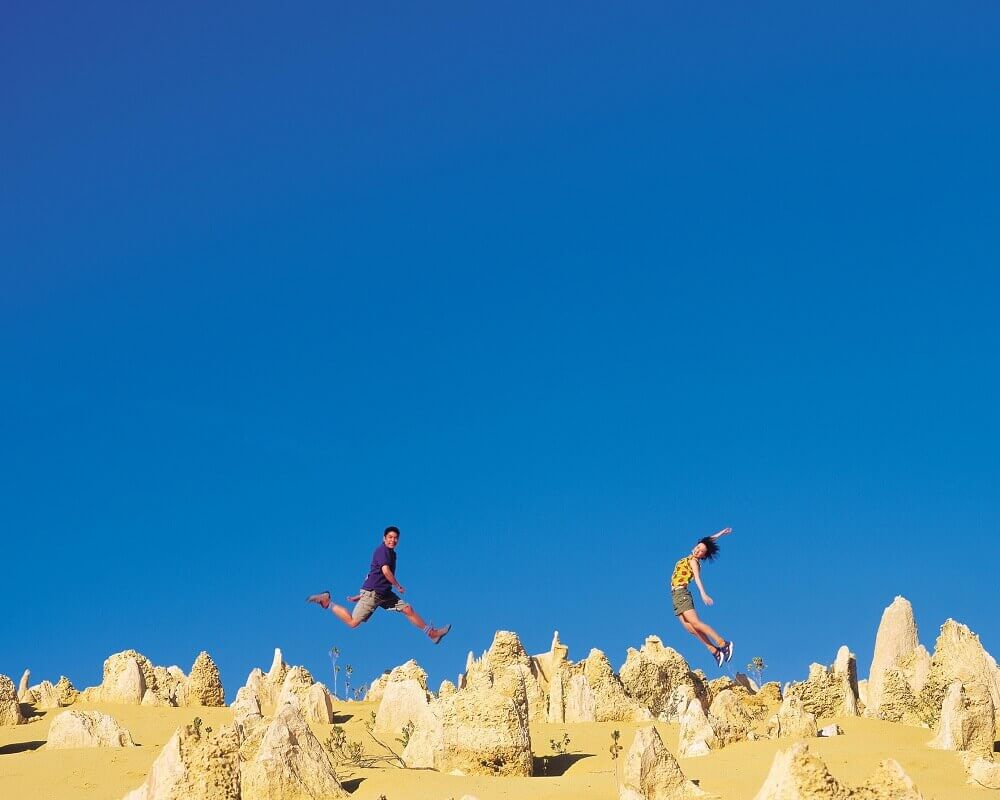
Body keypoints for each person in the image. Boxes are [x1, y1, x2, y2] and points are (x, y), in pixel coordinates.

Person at [307, 526, 451, 644]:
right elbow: (385, 571)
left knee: (407, 609)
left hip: (383, 593)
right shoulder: (382, 551)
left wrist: (361, 595)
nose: (392, 540)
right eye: (390, 537)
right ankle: (327, 601)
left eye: (395, 538)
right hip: (374, 593)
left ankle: (431, 634)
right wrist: (397, 585)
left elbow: (373, 574)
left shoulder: (392, 554)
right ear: (384, 538)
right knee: (352, 623)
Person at [671, 526, 734, 667]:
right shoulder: (691, 555)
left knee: (696, 623)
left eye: (701, 551)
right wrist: (721, 533)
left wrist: (703, 594)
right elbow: (707, 540)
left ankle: (723, 643)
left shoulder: (693, 561)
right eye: (697, 547)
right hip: (675, 595)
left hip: (682, 593)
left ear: (703, 556)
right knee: (690, 628)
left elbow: (698, 579)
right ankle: (715, 651)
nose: (697, 550)